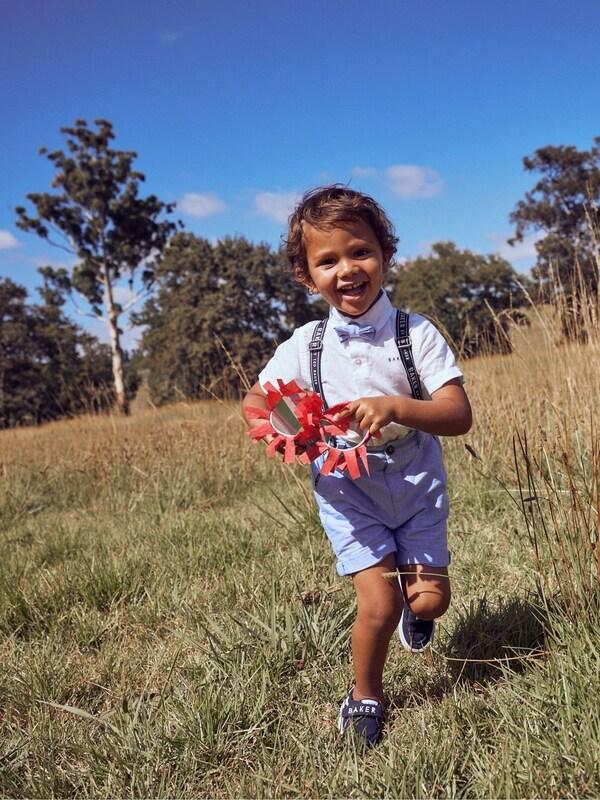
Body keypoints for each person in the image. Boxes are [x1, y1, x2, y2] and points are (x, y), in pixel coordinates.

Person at [242, 185, 472, 746]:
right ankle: (365, 697)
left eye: (360, 252)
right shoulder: (306, 344)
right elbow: (258, 401)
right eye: (328, 260)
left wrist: (397, 408)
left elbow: (458, 414)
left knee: (429, 599)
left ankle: (419, 613)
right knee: (379, 599)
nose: (347, 269)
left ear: (385, 255)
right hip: (349, 489)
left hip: (416, 480)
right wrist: (289, 427)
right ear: (306, 275)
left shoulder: (415, 334)